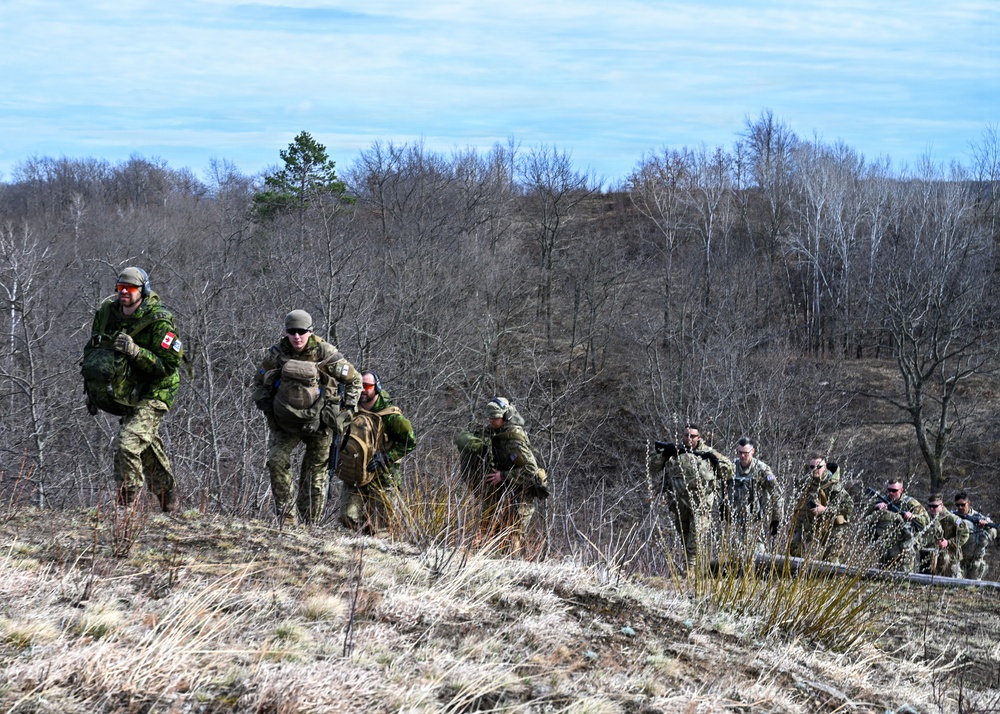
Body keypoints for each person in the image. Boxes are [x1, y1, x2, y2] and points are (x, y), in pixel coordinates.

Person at [82, 266, 183, 511]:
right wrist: (93, 389)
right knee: (146, 448)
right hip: (126, 391)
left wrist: (136, 352)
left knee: (127, 443)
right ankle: (169, 501)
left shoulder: (159, 321)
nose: (124, 292)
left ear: (143, 290)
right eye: (120, 288)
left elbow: (169, 365)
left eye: (130, 288)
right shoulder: (107, 312)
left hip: (156, 391)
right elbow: (95, 350)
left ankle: (126, 505)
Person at [252, 310, 362, 526]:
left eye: (301, 332)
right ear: (286, 332)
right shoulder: (278, 354)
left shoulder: (325, 353)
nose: (297, 337)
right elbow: (258, 382)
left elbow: (354, 380)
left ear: (310, 332)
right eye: (292, 332)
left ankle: (311, 524)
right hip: (285, 422)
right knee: (276, 460)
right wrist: (268, 407)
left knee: (315, 474)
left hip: (320, 422)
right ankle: (287, 518)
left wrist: (347, 411)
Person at [454, 397, 549, 555]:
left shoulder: (514, 439)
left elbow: (531, 469)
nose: (491, 420)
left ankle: (513, 568)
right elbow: (463, 437)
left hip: (524, 492)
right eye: (490, 417)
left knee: (514, 535)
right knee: (496, 530)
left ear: (505, 417)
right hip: (508, 491)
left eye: (495, 418)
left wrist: (503, 476)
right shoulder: (497, 432)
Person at [339, 370, 416, 534]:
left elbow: (410, 442)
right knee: (348, 517)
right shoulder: (350, 408)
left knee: (381, 527)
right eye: (359, 386)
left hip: (383, 476)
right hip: (356, 473)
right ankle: (362, 544)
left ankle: (375, 550)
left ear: (377, 388)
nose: (362, 390)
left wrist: (387, 457)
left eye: (367, 386)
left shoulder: (391, 416)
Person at [649, 424, 734, 567]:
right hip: (679, 504)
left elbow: (729, 471)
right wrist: (664, 454)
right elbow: (652, 468)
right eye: (686, 435)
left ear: (699, 438)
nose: (689, 438)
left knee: (696, 540)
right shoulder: (674, 452)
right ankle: (694, 571)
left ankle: (691, 573)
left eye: (692, 436)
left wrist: (716, 463)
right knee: (685, 538)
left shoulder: (707, 452)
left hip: (701, 504)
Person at [720, 437, 782, 554]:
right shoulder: (731, 467)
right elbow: (721, 487)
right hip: (734, 520)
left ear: (752, 451)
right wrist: (721, 505)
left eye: (746, 453)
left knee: (758, 554)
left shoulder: (762, 470)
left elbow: (777, 494)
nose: (742, 456)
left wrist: (776, 519)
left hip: (755, 521)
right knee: (733, 554)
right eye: (740, 453)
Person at [789, 454, 853, 562]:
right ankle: (798, 574)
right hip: (810, 522)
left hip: (831, 525)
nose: (815, 470)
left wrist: (825, 509)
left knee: (831, 557)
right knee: (795, 547)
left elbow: (848, 506)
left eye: (819, 467)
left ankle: (830, 576)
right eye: (812, 467)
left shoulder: (833, 485)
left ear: (825, 467)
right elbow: (798, 506)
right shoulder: (805, 483)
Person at [865, 478, 930, 573]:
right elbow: (866, 518)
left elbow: (926, 520)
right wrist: (876, 508)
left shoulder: (910, 503)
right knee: (883, 576)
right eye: (889, 490)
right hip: (885, 547)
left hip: (904, 547)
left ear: (901, 490)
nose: (891, 493)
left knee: (903, 577)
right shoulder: (881, 500)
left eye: (894, 490)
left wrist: (913, 516)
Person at [919, 493, 969, 577]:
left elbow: (965, 534)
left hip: (950, 559)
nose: (932, 509)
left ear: (941, 505)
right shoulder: (927, 519)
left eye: (935, 506)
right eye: (930, 506)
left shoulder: (953, 519)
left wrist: (948, 542)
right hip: (930, 559)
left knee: (952, 585)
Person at [953, 492, 997, 580]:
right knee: (955, 584)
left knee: (973, 587)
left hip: (975, 560)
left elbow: (994, 532)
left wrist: (986, 530)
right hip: (959, 559)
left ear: (968, 503)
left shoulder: (979, 517)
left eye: (962, 505)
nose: (960, 507)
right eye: (958, 505)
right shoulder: (954, 517)